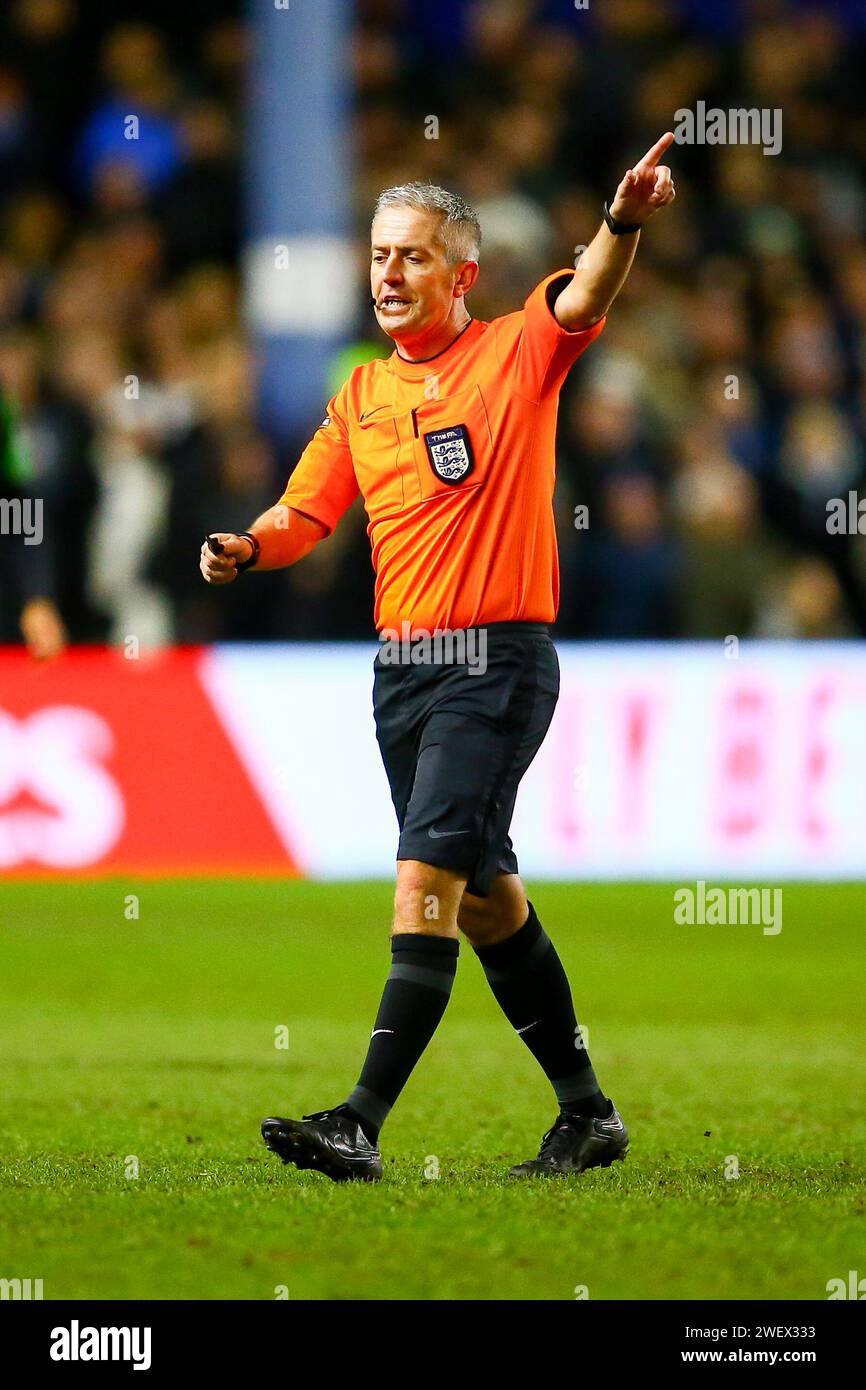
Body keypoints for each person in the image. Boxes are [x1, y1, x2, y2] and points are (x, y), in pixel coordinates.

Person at [200, 134, 676, 1181]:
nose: (387, 272)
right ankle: (587, 1113)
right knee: (482, 896)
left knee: (422, 877)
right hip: (399, 673)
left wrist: (622, 218)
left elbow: (585, 292)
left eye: (412, 256)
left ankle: (357, 1121)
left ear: (461, 275)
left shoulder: (515, 352)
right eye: (378, 254)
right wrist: (247, 544)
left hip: (493, 663)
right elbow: (305, 508)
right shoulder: (360, 395)